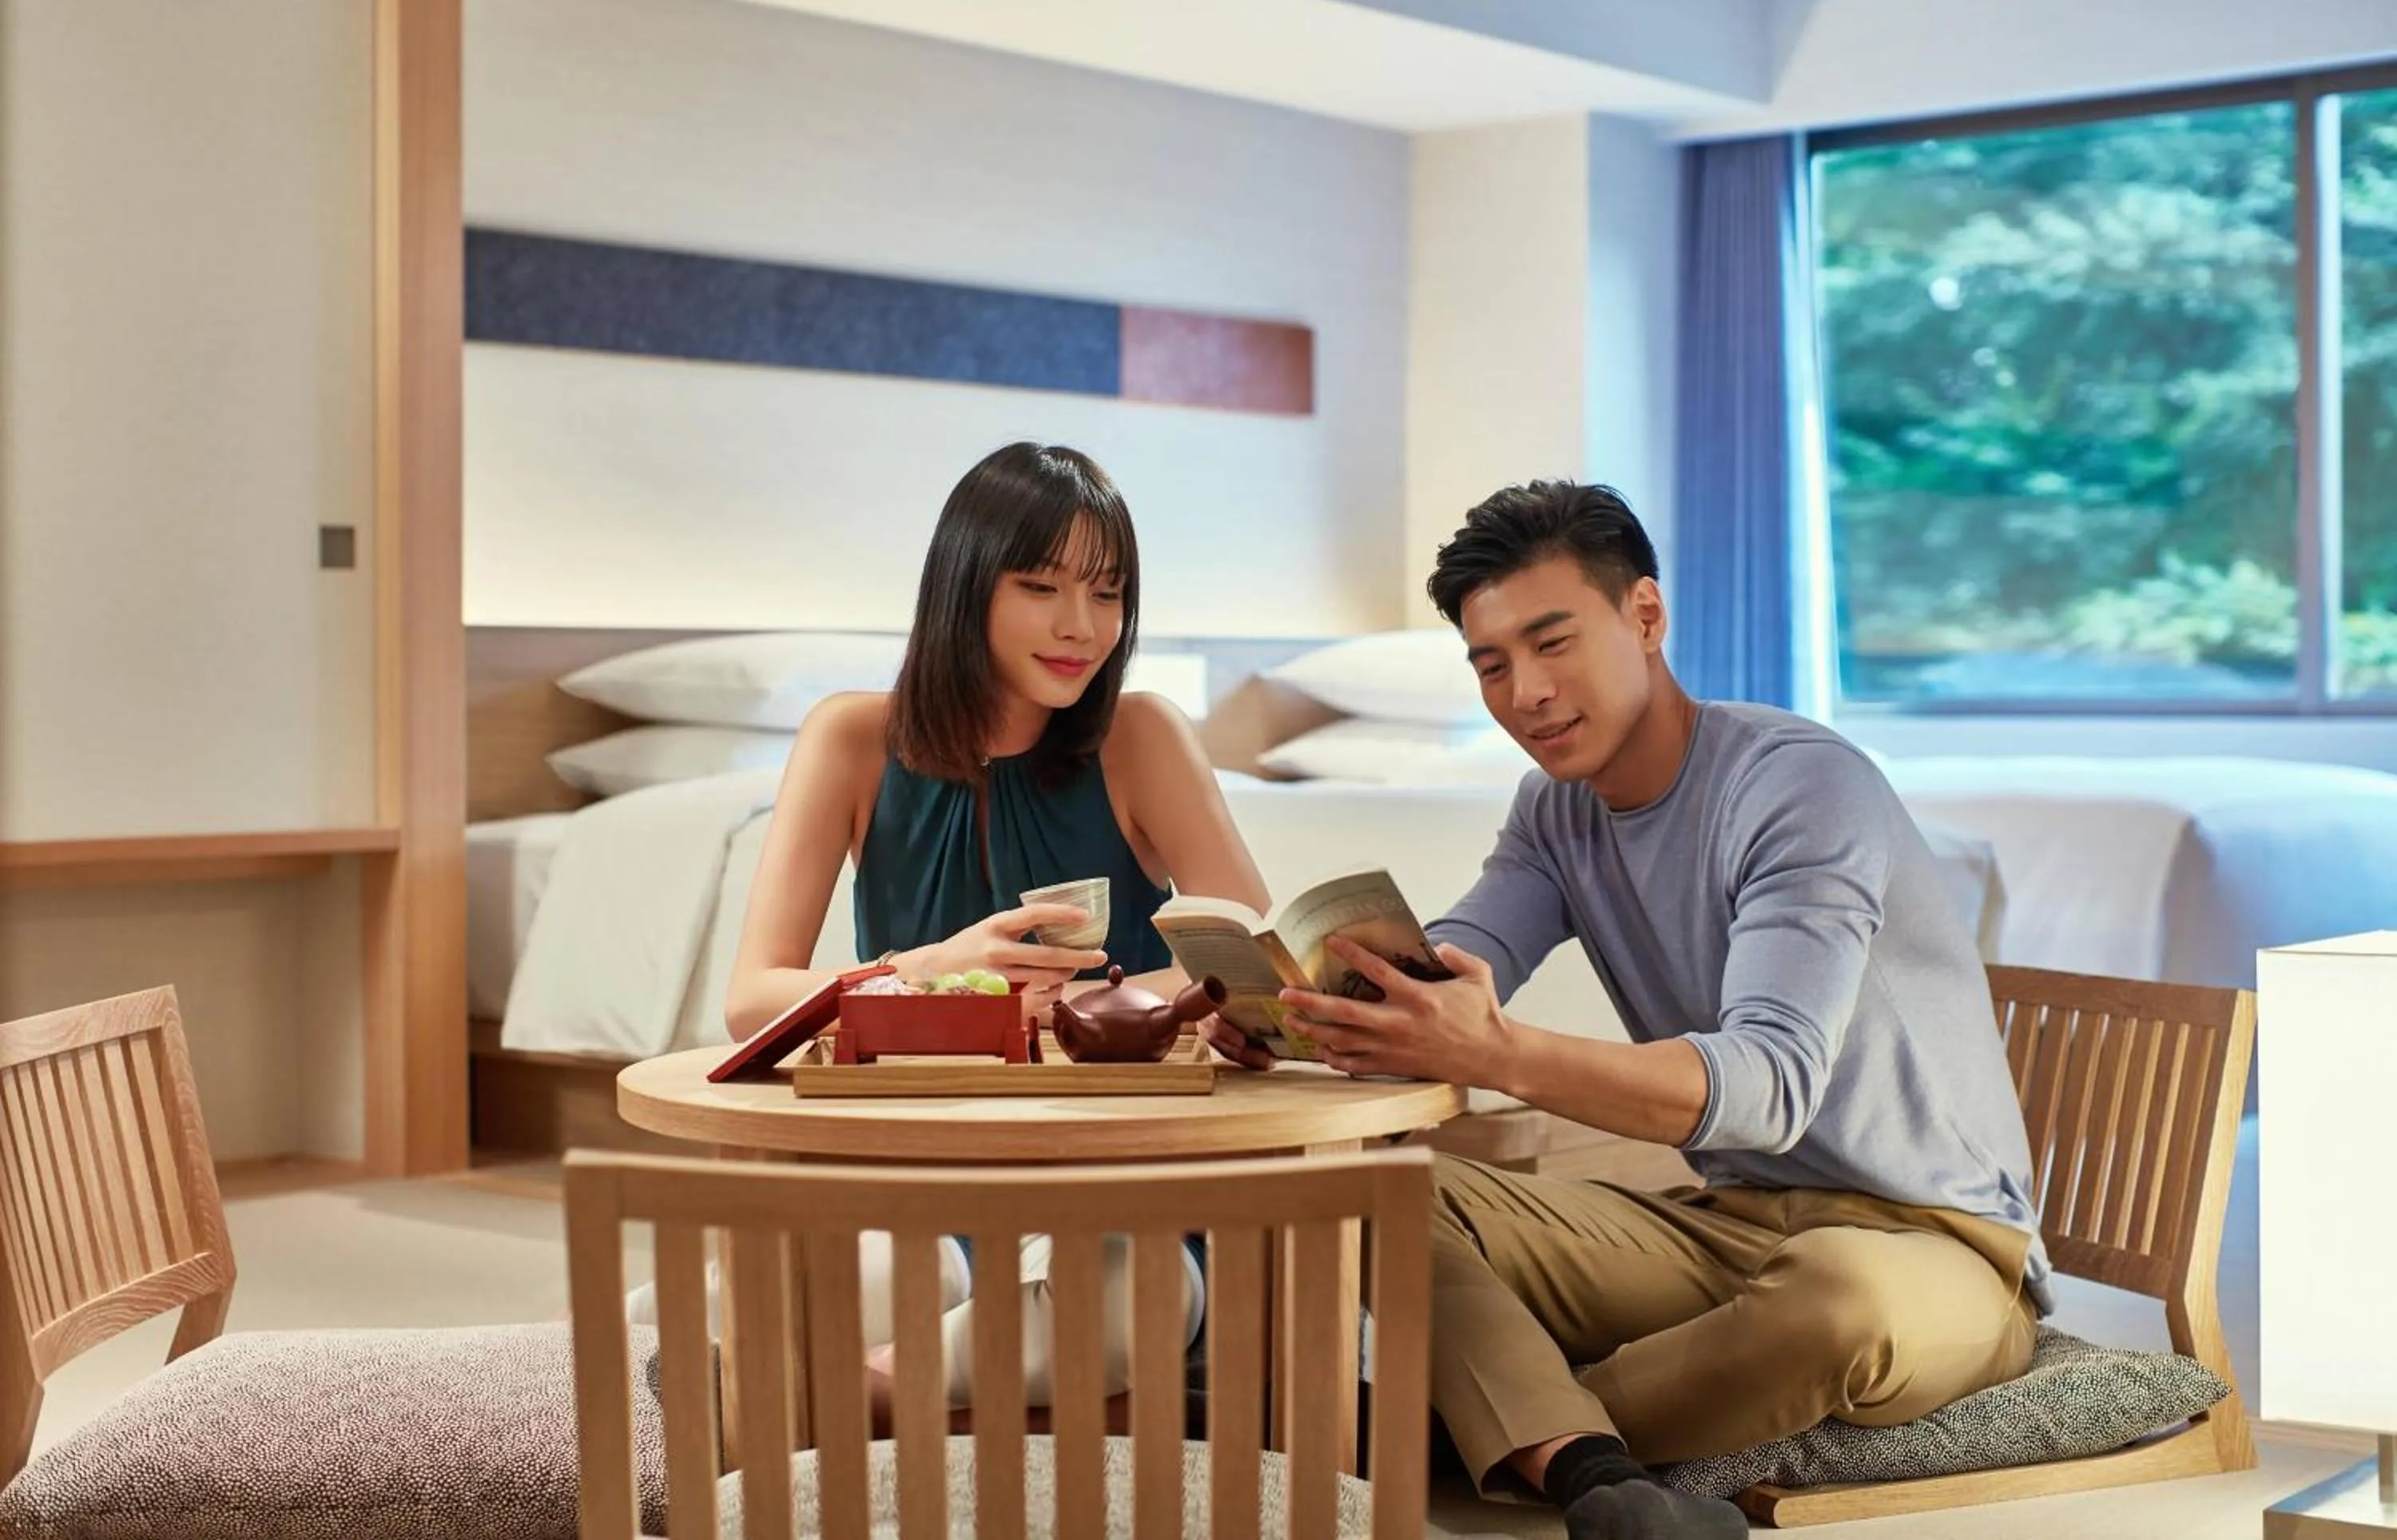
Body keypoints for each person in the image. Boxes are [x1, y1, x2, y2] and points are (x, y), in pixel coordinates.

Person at [1205, 481, 2047, 1540]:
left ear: (1645, 617)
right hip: (1726, 1230)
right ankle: (1590, 1472)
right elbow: (1463, 965)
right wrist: (1309, 1018)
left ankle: (1480, 1430)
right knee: (1369, 1187)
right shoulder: (1555, 810)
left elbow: (1770, 1090)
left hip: (1938, 1247)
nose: (1527, 694)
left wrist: (1499, 1052)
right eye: (1493, 665)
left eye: (1553, 644)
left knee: (1844, 1307)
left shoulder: (1797, 786)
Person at [674, 441, 1270, 1411]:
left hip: (1118, 1173)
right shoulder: (853, 738)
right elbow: (754, 997)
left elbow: (1247, 957)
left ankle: (847, 1397)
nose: (1083, 627)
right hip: (922, 1169)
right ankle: (858, 1380)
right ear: (964, 586)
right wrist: (931, 967)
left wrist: (1100, 1005)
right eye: (1041, 585)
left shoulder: (1140, 736)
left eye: (1109, 593)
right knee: (849, 1279)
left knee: (1135, 1293)